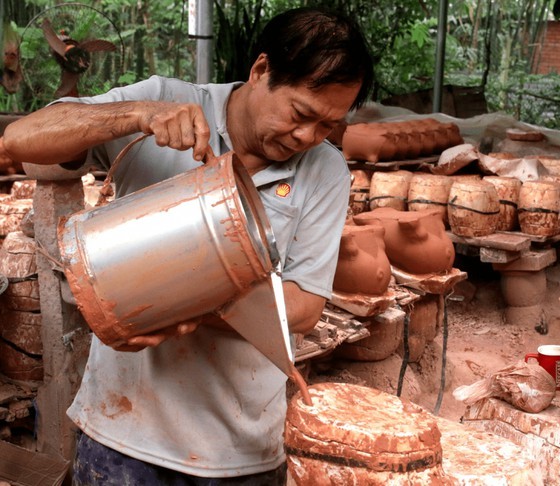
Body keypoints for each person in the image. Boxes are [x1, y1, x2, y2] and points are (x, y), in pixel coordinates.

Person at [3, 7, 373, 484]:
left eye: (328, 125)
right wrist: (135, 116)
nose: (308, 136)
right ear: (261, 71)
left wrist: (173, 303)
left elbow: (302, 307)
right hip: (124, 436)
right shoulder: (166, 101)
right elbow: (20, 138)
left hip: (242, 450)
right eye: (301, 114)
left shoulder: (325, 172)